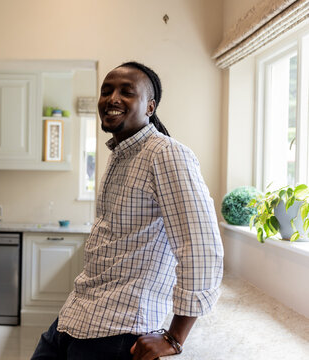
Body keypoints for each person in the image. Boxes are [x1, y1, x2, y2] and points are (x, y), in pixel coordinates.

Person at [31, 61, 224, 360]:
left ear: (150, 107)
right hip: (75, 319)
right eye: (106, 91)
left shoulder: (166, 154)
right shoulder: (119, 156)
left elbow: (201, 248)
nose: (112, 98)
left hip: (119, 332)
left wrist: (174, 338)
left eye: (127, 92)